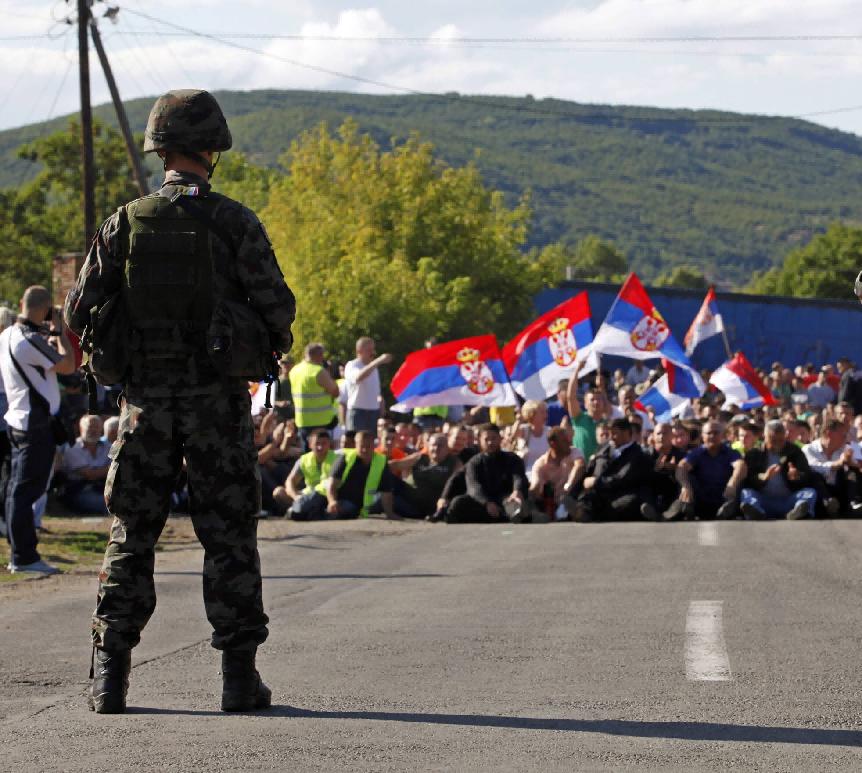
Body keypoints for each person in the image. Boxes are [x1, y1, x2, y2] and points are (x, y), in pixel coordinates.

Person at [64, 90, 295, 714]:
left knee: (131, 536)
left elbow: (78, 311)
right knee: (229, 538)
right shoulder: (235, 222)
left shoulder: (125, 221)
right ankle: (239, 681)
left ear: (159, 147)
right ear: (212, 149)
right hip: (217, 406)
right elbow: (279, 307)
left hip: (143, 407)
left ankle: (110, 679)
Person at [1, 287, 76, 573]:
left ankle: (19, 552)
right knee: (26, 491)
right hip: (35, 425)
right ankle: (24, 556)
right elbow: (67, 365)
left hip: (18, 420)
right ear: (45, 310)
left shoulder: (7, 334)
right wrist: (60, 333)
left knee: (14, 489)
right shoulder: (29, 339)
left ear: (21, 303)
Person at [565, 418, 656, 522]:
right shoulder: (604, 449)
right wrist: (574, 492)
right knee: (587, 499)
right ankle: (580, 512)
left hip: (620, 493)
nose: (611, 437)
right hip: (598, 493)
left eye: (614, 433)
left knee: (629, 502)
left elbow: (623, 478)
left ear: (626, 433)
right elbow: (590, 470)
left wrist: (596, 482)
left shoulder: (638, 455)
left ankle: (592, 515)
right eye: (609, 433)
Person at [446, 423, 528, 523]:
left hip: (505, 499)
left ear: (500, 439)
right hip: (482, 502)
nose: (490, 442)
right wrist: (486, 503)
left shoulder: (512, 458)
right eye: (486, 439)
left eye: (494, 438)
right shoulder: (474, 462)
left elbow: (518, 477)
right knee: (458, 503)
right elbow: (473, 486)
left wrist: (517, 492)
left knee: (515, 506)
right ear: (479, 441)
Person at [665, 421, 745, 521]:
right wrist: (685, 487)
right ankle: (681, 511)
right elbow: (682, 467)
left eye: (716, 433)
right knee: (687, 478)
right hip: (702, 499)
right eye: (709, 433)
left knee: (739, 480)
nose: (712, 436)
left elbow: (740, 465)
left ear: (722, 435)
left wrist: (732, 482)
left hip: (724, 496)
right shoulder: (697, 453)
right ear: (702, 436)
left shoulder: (730, 452)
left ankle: (727, 512)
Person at [740, 420, 817, 520]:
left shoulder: (794, 451)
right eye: (773, 440)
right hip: (764, 499)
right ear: (765, 437)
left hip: (788, 499)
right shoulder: (754, 453)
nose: (777, 444)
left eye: (780, 440)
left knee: (810, 492)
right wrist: (763, 477)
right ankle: (756, 511)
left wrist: (797, 476)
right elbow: (748, 478)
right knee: (746, 492)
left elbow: (806, 475)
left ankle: (798, 511)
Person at [326, 430, 399, 518]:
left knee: (345, 509)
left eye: (368, 446)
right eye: (361, 446)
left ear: (374, 446)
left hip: (354, 505)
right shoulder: (346, 457)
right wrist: (332, 501)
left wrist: (390, 514)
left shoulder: (381, 461)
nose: (364, 450)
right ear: (356, 446)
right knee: (309, 505)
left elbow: (386, 491)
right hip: (329, 496)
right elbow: (331, 484)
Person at [390, 432, 461, 519]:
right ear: (428, 446)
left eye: (440, 445)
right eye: (433, 445)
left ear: (447, 448)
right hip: (412, 502)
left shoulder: (454, 463)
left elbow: (457, 484)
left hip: (435, 507)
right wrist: (375, 464)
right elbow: (396, 464)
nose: (436, 448)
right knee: (388, 478)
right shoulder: (420, 458)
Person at [802, 419, 862, 516]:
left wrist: (851, 463)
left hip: (839, 489)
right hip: (821, 492)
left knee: (851, 471)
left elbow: (859, 466)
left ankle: (853, 503)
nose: (845, 437)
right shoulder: (809, 449)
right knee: (814, 475)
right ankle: (828, 503)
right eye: (842, 434)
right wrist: (839, 463)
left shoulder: (845, 448)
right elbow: (815, 467)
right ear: (828, 433)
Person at [277, 429, 337, 520]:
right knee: (279, 492)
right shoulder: (304, 459)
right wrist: (296, 497)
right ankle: (302, 509)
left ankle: (299, 511)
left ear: (330, 444)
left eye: (324, 443)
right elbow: (290, 481)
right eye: (317, 443)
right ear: (310, 445)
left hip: (327, 496)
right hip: (307, 495)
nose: (320, 447)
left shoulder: (337, 458)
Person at [288, 343, 339, 448]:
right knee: (323, 455)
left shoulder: (294, 370)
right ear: (319, 355)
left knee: (307, 455)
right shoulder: (318, 371)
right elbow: (335, 392)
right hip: (321, 421)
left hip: (302, 421)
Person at [530, 427, 585, 522]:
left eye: (568, 439)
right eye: (564, 440)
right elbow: (536, 483)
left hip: (572, 495)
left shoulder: (575, 452)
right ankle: (533, 513)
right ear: (553, 444)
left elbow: (579, 466)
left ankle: (576, 513)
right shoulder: (541, 463)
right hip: (553, 501)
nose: (569, 442)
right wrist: (533, 490)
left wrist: (568, 486)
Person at [60, 415, 110, 514]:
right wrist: (111, 469)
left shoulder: (108, 447)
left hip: (104, 488)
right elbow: (89, 475)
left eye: (97, 427)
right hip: (80, 490)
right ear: (81, 428)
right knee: (108, 504)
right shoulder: (73, 447)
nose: (94, 430)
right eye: (90, 427)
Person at [344, 337, 391, 433]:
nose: (372, 353)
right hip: (358, 411)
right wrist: (378, 361)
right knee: (355, 442)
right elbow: (358, 377)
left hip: (373, 411)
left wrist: (381, 406)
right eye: (369, 350)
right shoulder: (352, 365)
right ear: (359, 351)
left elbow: (376, 391)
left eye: (373, 349)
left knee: (371, 442)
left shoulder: (374, 368)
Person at [566, 361, 607, 461]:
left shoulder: (607, 423)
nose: (596, 402)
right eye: (592, 399)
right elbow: (570, 396)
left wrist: (601, 386)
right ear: (585, 404)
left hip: (600, 468)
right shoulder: (579, 418)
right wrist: (577, 370)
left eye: (599, 399)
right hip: (580, 467)